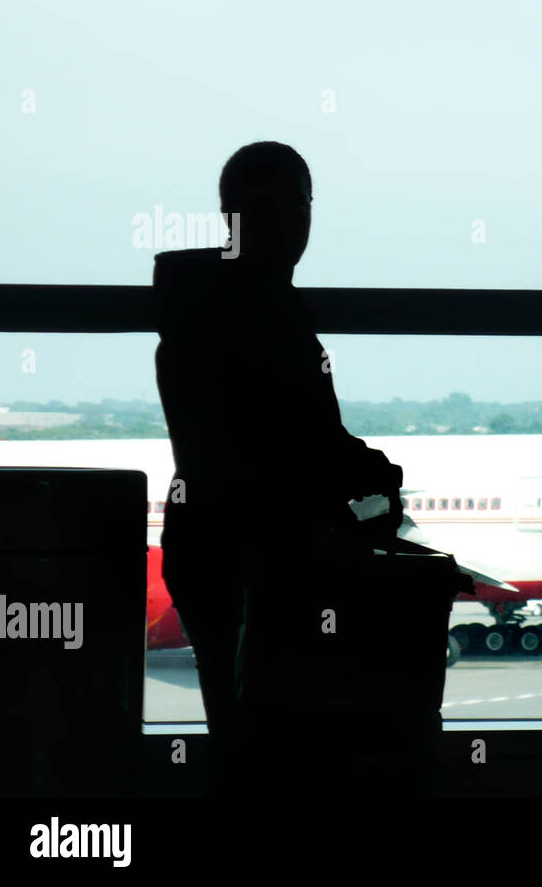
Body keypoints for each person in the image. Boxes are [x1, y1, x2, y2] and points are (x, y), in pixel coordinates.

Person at [153, 141, 404, 794]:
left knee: (245, 740)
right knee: (269, 746)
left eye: (297, 206)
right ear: (230, 214)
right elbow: (299, 440)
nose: (290, 223)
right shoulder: (260, 310)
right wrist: (376, 477)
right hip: (251, 555)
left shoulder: (205, 301)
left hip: (217, 546)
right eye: (273, 206)